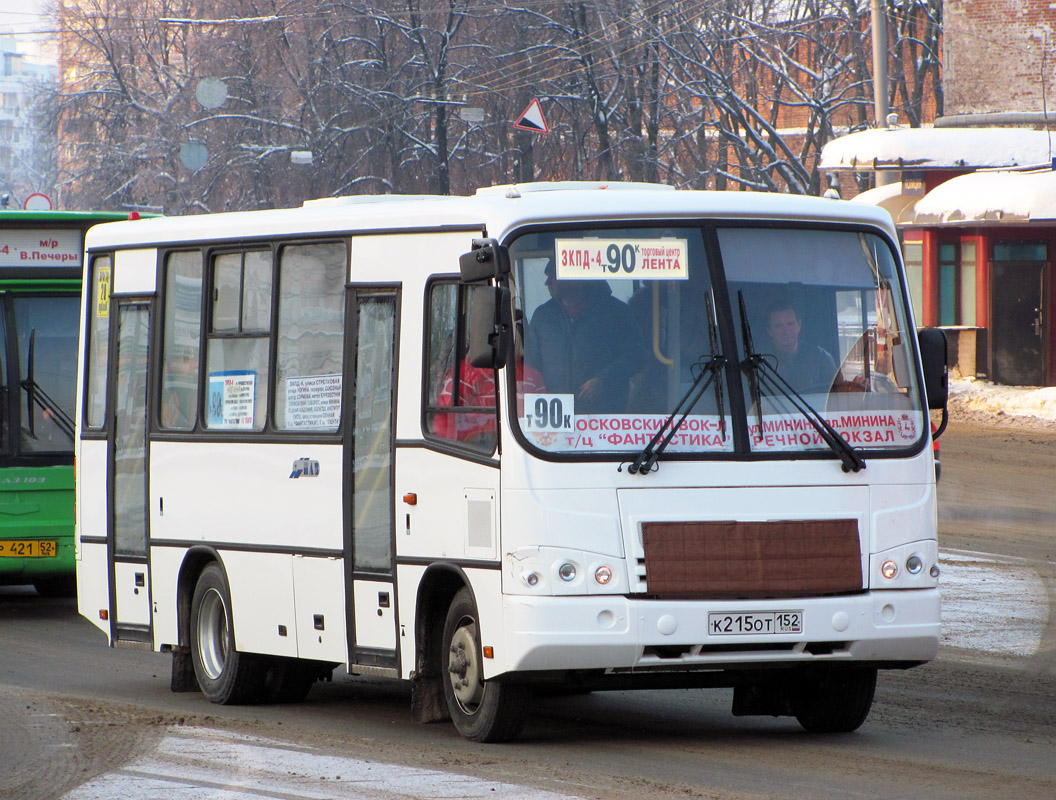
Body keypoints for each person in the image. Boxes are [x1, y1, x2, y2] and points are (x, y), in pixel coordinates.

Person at [524, 261, 645, 414]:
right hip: (555, 418)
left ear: (573, 277)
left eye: (553, 277)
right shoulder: (542, 316)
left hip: (606, 417)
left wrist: (603, 381)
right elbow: (530, 366)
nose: (547, 283)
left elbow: (637, 357)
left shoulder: (616, 312)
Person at [766, 300, 838, 393]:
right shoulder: (760, 363)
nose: (786, 331)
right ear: (769, 331)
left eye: (790, 324)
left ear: (799, 325)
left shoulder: (821, 358)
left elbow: (836, 396)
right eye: (779, 326)